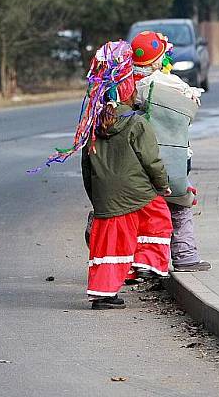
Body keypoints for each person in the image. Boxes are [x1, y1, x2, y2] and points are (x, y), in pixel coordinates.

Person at [49, 41, 172, 309]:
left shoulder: (92, 126)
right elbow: (151, 160)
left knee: (109, 245)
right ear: (128, 89)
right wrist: (163, 186)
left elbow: (86, 166)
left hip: (106, 198)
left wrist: (96, 198)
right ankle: (146, 263)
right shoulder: (137, 122)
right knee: (158, 217)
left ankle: (102, 295)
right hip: (138, 193)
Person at [131, 30, 210, 273]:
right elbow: (191, 107)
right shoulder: (169, 83)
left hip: (138, 160)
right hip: (173, 158)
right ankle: (185, 257)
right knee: (180, 204)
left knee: (145, 209)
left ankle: (142, 262)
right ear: (158, 60)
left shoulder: (131, 86)